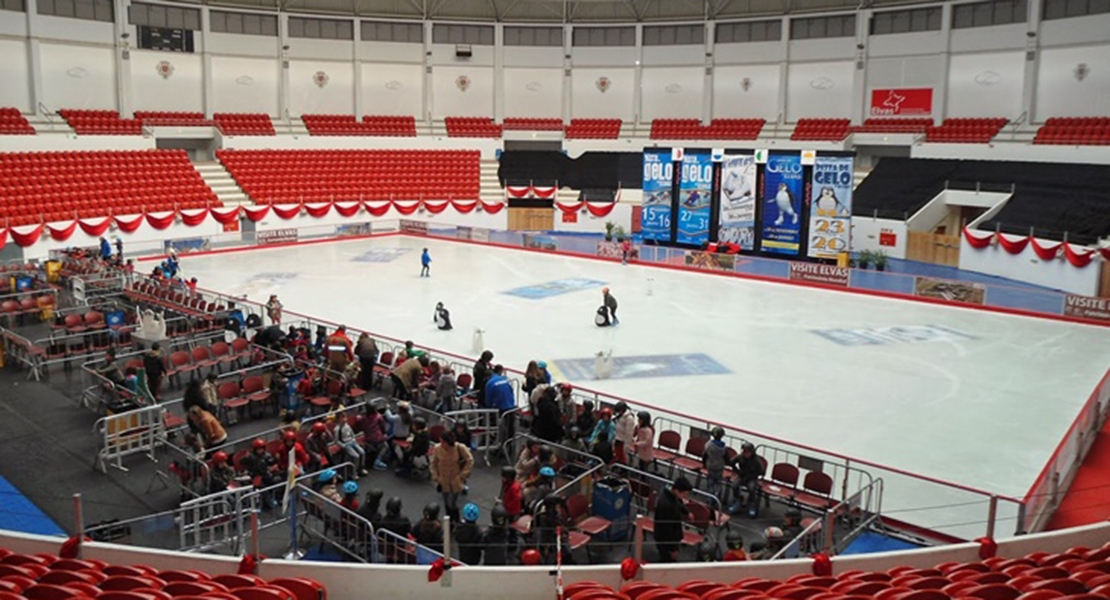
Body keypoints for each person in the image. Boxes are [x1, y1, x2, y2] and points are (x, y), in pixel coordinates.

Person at [431, 430, 474, 522]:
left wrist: (463, 475)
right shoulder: (438, 448)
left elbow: (469, 460)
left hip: (455, 480)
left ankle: (456, 521)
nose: (441, 443)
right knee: (446, 503)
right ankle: (450, 522)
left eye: (443, 441)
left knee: (451, 503)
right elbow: (433, 463)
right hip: (443, 480)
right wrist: (436, 476)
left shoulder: (459, 447)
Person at [654, 476, 693, 563]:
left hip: (666, 538)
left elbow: (678, 502)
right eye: (685, 494)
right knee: (667, 562)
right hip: (666, 543)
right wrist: (672, 549)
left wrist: (686, 512)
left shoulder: (670, 495)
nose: (686, 497)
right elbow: (667, 531)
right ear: (677, 491)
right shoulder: (667, 505)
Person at [728, 442, 765, 517]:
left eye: (747, 452)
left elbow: (762, 471)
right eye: (744, 452)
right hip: (742, 475)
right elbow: (731, 462)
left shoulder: (756, 460)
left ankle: (751, 503)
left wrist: (753, 475)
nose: (746, 454)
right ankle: (738, 500)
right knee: (735, 485)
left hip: (752, 478)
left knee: (752, 488)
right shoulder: (740, 457)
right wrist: (737, 470)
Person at [379, 497, 412, 563]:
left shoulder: (383, 520)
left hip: (388, 547)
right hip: (401, 546)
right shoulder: (404, 520)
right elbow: (409, 531)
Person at [703, 427, 729, 503]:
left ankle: (709, 498)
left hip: (710, 466)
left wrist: (704, 464)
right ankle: (717, 498)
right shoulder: (724, 447)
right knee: (718, 482)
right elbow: (727, 458)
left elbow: (704, 455)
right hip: (719, 467)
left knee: (710, 482)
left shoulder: (708, 445)